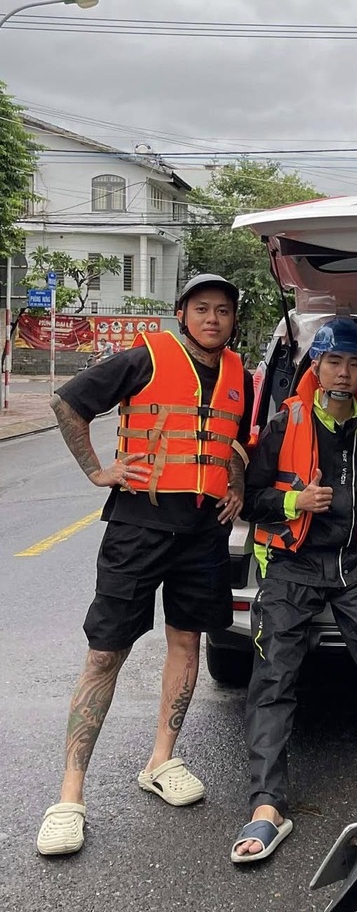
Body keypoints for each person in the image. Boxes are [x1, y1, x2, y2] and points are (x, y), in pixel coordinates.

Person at [36, 273, 252, 857]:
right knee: (106, 650)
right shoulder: (144, 358)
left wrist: (233, 483)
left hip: (204, 530)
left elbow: (232, 439)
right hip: (139, 524)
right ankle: (69, 796)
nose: (213, 318)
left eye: (224, 311)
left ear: (234, 321)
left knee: (188, 641)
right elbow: (67, 403)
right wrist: (96, 472)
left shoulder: (240, 376)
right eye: (202, 308)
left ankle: (162, 760)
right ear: (182, 313)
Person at [232, 317, 357, 864]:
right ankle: (267, 806)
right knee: (274, 676)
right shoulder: (287, 422)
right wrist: (294, 504)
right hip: (293, 564)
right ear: (317, 366)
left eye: (355, 364)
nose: (344, 373)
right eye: (335, 362)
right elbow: (251, 500)